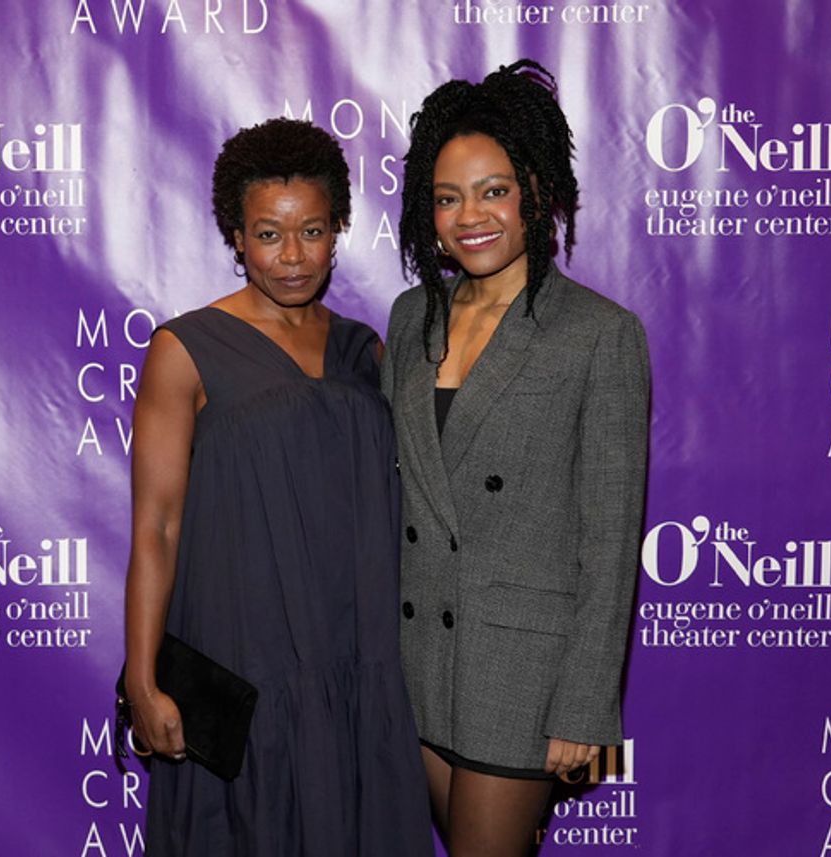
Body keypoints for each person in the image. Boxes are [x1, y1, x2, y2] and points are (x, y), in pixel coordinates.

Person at [123, 117, 433, 857]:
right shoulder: (183, 348)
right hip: (245, 652)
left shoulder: (367, 349)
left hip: (359, 656)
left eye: (313, 231)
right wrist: (142, 677)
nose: (293, 256)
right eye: (268, 234)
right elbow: (156, 525)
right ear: (236, 235)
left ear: (339, 228)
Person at [383, 60, 650, 857]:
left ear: (537, 190)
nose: (471, 216)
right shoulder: (408, 318)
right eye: (448, 196)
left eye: (494, 190)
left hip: (525, 672)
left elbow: (610, 542)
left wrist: (587, 714)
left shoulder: (600, 333)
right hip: (416, 657)